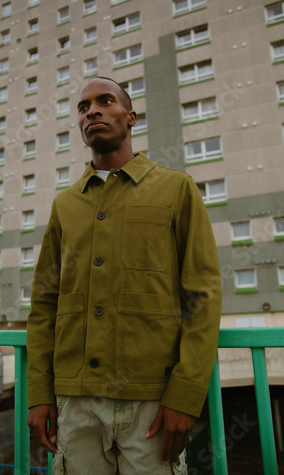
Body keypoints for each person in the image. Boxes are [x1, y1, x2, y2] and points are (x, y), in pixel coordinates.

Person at [27, 76, 222, 474]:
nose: (92, 111)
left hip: (151, 401)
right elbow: (45, 302)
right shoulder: (64, 204)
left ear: (130, 118)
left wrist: (185, 397)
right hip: (74, 401)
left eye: (105, 101)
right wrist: (38, 393)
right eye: (83, 108)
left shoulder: (176, 189)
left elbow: (201, 296)